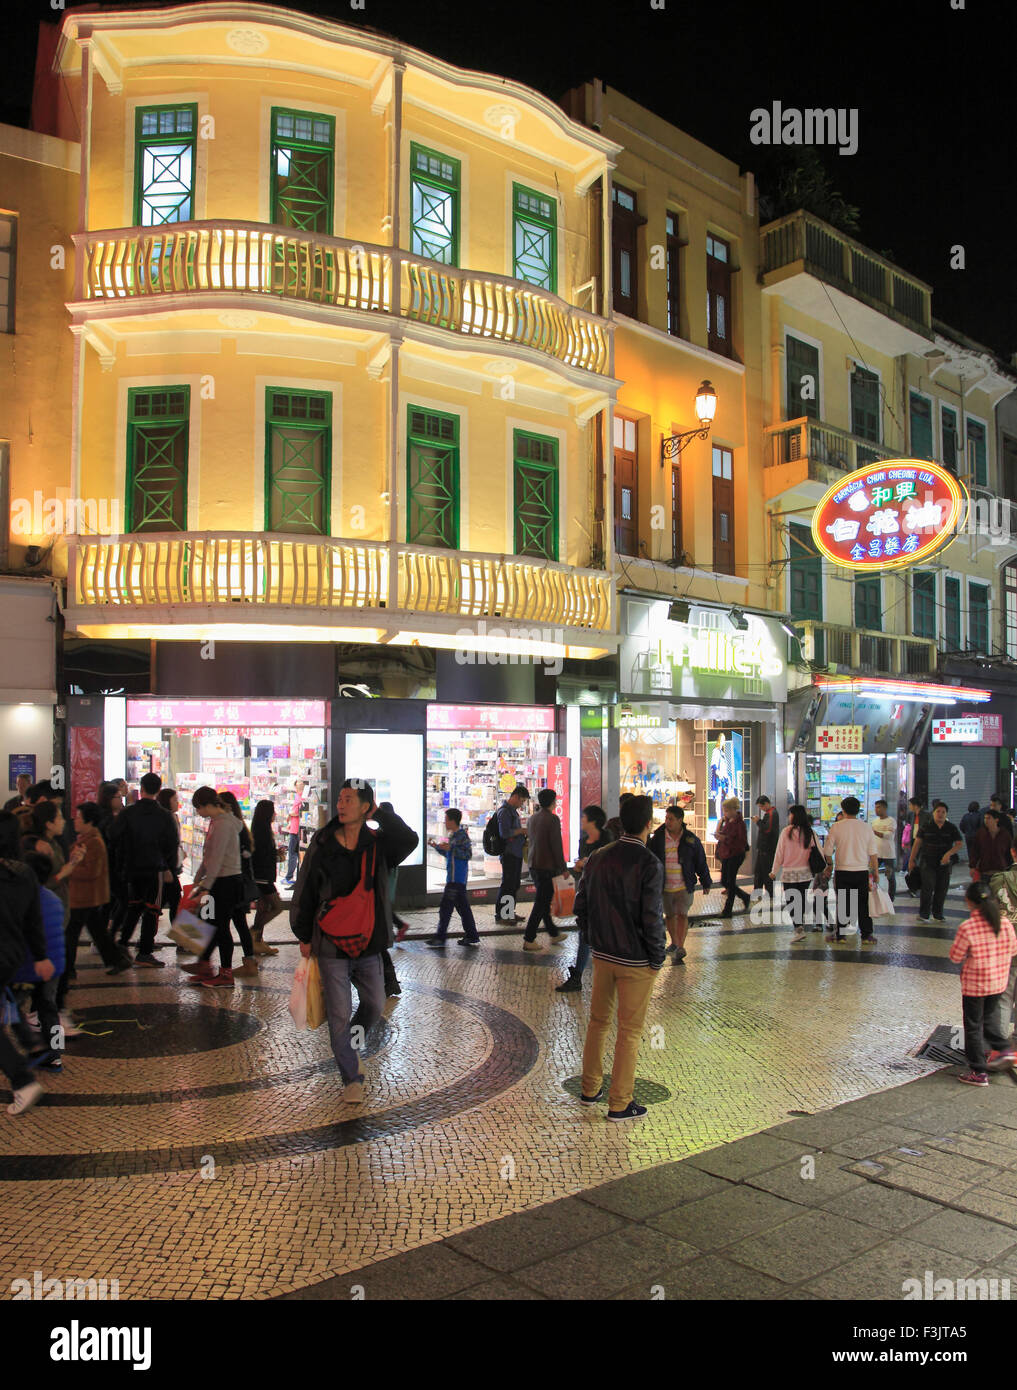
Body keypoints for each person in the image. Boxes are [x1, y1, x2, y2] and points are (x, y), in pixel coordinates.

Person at [290, 780, 418, 1106]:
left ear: (365, 807)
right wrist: (304, 935)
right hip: (331, 942)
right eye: (341, 799)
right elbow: (304, 890)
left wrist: (379, 814)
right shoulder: (322, 843)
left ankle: (352, 1046)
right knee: (339, 1014)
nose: (341, 804)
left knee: (374, 1004)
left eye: (350, 800)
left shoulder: (377, 843)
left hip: (368, 942)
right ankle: (351, 1075)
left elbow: (409, 839)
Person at [576, 793, 665, 1122]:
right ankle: (620, 1102)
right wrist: (657, 957)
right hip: (636, 960)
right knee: (629, 1031)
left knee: (598, 1022)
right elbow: (652, 917)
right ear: (648, 824)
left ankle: (589, 1089)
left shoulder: (599, 856)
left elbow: (580, 905)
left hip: (603, 954)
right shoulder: (648, 864)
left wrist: (592, 938)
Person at [0, 812, 55, 1116]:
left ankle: (22, 1081)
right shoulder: (24, 873)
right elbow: (34, 921)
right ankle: (29, 1039)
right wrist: (42, 956)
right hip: (12, 955)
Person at [948, 880, 1017, 1085]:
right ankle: (1004, 1049)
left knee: (973, 1027)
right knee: (988, 1021)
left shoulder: (968, 927)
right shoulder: (1004, 923)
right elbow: (1013, 950)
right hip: (997, 983)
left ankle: (978, 1072)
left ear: (969, 902)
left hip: (975, 985)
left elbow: (955, 956)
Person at [110, 771, 177, 968]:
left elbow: (114, 836)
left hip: (131, 868)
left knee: (134, 905)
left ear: (142, 788)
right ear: (158, 790)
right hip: (155, 868)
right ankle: (145, 951)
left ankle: (122, 944)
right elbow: (171, 844)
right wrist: (168, 868)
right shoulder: (164, 816)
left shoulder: (128, 813)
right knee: (152, 909)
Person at [179, 787, 245, 988]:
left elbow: (216, 860)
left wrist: (205, 886)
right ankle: (204, 964)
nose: (198, 813)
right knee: (207, 921)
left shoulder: (224, 825)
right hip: (219, 881)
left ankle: (225, 974)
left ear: (207, 805)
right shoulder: (218, 822)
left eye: (198, 808)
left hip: (225, 882)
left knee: (219, 926)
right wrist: (200, 880)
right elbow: (210, 857)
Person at [12, 852, 67, 1073]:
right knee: (49, 1010)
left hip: (30, 966)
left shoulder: (21, 900)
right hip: (55, 966)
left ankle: (31, 1044)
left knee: (12, 1007)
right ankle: (56, 1055)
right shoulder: (54, 898)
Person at [67, 801, 130, 981]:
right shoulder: (86, 839)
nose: (75, 821)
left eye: (79, 818)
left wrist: (69, 870)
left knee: (71, 933)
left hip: (84, 896)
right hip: (86, 895)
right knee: (97, 931)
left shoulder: (94, 842)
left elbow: (91, 871)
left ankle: (68, 969)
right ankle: (117, 959)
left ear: (90, 821)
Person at [556, 806, 614, 993]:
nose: (581, 820)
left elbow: (608, 864)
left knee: (602, 935)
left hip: (606, 894)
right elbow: (585, 867)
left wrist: (586, 862)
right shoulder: (583, 841)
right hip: (588, 892)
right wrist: (580, 865)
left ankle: (610, 974)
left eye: (584, 817)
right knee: (584, 933)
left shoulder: (608, 839)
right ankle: (578, 976)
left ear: (593, 821)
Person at [649, 804, 711, 963]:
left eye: (671, 819)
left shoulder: (690, 839)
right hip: (666, 885)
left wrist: (705, 881)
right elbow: (650, 859)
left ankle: (680, 945)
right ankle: (675, 942)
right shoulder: (658, 838)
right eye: (666, 818)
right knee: (669, 915)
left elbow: (700, 860)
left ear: (679, 820)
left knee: (682, 914)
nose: (667, 822)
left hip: (684, 884)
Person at [823, 796, 879, 944]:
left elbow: (827, 851)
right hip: (862, 871)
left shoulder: (836, 827)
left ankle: (841, 935)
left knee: (843, 903)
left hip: (842, 871)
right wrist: (876, 872)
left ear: (843, 809)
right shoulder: (866, 827)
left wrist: (830, 865)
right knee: (863, 904)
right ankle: (866, 935)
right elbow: (873, 852)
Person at [217, 791, 259, 979]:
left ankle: (222, 966)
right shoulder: (239, 825)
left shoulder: (231, 826)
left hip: (232, 883)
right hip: (238, 883)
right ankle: (249, 961)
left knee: (223, 924)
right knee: (238, 923)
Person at [426, 808, 480, 947]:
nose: (444, 823)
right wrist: (438, 847)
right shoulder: (454, 836)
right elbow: (451, 854)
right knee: (463, 908)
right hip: (455, 879)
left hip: (457, 879)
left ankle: (440, 937)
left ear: (452, 820)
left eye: (446, 820)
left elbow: (467, 854)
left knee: (446, 908)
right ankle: (471, 935)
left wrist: (450, 848)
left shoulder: (461, 835)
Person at [522, 788, 567, 952]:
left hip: (534, 864)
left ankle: (553, 933)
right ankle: (529, 938)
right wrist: (563, 867)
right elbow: (556, 845)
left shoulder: (532, 818)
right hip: (546, 866)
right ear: (553, 802)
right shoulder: (553, 819)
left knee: (544, 900)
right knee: (541, 903)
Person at [771, 805, 822, 943]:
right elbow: (819, 850)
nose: (789, 817)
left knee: (791, 901)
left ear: (794, 816)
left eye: (790, 814)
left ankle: (798, 928)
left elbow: (779, 853)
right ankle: (800, 924)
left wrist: (774, 871)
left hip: (789, 873)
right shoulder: (810, 832)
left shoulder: (786, 832)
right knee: (801, 898)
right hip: (805, 873)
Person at [909, 801, 964, 924]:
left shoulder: (951, 827)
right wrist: (911, 860)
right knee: (927, 887)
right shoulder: (926, 826)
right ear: (933, 813)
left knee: (942, 888)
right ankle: (924, 914)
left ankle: (938, 914)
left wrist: (948, 854)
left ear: (946, 814)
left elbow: (959, 843)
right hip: (927, 862)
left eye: (943, 812)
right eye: (938, 811)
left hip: (944, 864)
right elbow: (917, 843)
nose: (940, 814)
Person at [250, 799, 283, 955]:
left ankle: (257, 942)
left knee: (262, 908)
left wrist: (275, 854)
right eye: (273, 811)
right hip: (262, 876)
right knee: (277, 906)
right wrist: (275, 855)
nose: (275, 814)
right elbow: (261, 855)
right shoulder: (262, 831)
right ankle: (253, 932)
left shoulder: (261, 828)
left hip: (264, 875)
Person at [495, 785, 529, 925]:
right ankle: (503, 915)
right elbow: (505, 833)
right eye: (522, 801)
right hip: (509, 853)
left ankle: (509, 913)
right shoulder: (504, 812)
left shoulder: (512, 812)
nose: (522, 804)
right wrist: (521, 831)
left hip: (516, 852)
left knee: (514, 884)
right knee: (508, 884)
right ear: (515, 797)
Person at [716, 796, 750, 918]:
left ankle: (728, 910)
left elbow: (741, 842)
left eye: (726, 810)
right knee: (725, 881)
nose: (725, 813)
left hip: (735, 855)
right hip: (727, 854)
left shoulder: (739, 824)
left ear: (732, 810)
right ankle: (744, 896)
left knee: (730, 882)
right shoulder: (728, 822)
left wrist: (725, 839)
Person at [155, 787, 184, 935]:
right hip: (165, 869)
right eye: (174, 799)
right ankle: (183, 940)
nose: (177, 802)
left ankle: (146, 941)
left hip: (170, 868)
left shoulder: (173, 817)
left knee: (172, 903)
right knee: (174, 902)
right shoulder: (165, 818)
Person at [970, 810, 1013, 883]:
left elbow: (1009, 852)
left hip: (1000, 870)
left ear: (996, 820)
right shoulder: (981, 833)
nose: (986, 820)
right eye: (985, 818)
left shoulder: (1005, 834)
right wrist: (972, 866)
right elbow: (975, 851)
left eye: (989, 818)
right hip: (985, 870)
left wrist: (1010, 868)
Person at [751, 796, 780, 900]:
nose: (761, 809)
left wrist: (758, 822)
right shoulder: (769, 814)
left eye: (761, 806)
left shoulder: (772, 814)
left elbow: (768, 830)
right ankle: (757, 893)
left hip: (768, 849)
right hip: (763, 849)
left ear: (767, 803)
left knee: (767, 872)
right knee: (759, 872)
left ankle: (770, 893)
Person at [870, 798, 898, 902]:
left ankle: (891, 899)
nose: (876, 810)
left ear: (885, 808)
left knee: (890, 876)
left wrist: (875, 832)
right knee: (872, 874)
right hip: (876, 853)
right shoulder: (874, 821)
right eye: (875, 807)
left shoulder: (891, 821)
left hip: (888, 854)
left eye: (879, 807)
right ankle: (872, 896)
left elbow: (889, 835)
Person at [282, 779, 306, 887]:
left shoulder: (301, 796)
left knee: (293, 853)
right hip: (294, 827)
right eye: (298, 784)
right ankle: (290, 876)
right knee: (294, 853)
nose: (299, 785)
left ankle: (289, 877)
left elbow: (296, 812)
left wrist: (291, 814)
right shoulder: (299, 796)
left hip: (296, 829)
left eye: (301, 783)